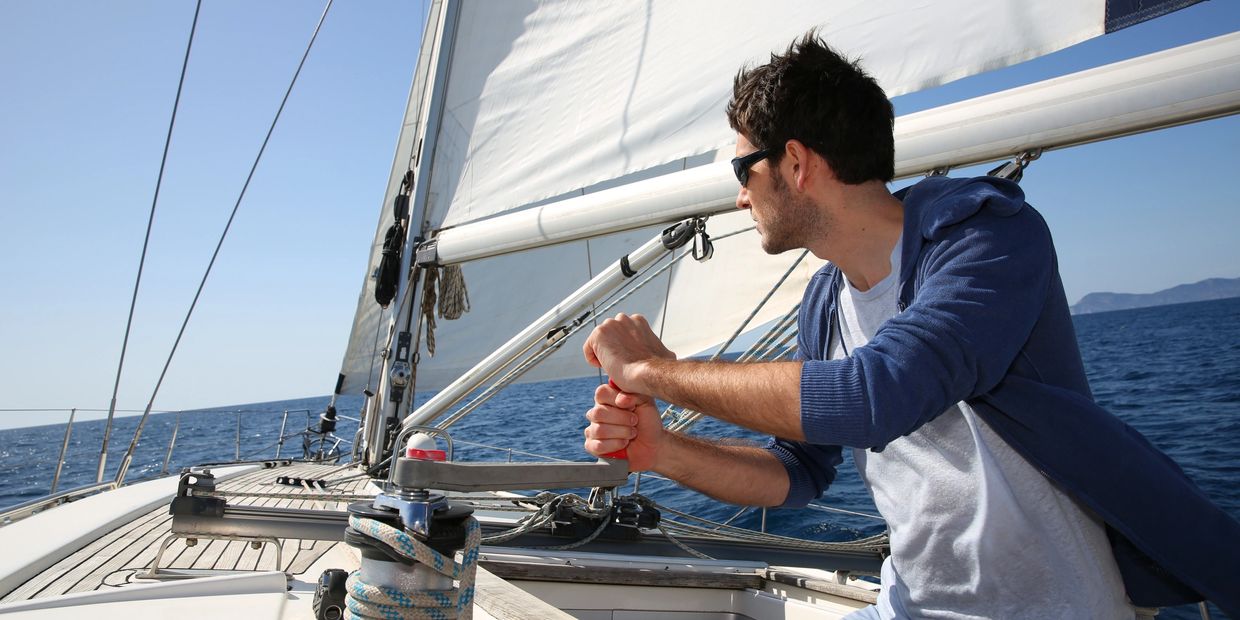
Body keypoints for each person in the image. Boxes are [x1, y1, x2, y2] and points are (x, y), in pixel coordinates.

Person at [580, 33, 1239, 619]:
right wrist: (662, 453)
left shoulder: (987, 238)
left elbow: (878, 394)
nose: (738, 195)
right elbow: (798, 472)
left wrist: (650, 372)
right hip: (906, 603)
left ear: (798, 163)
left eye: (742, 170)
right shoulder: (824, 300)